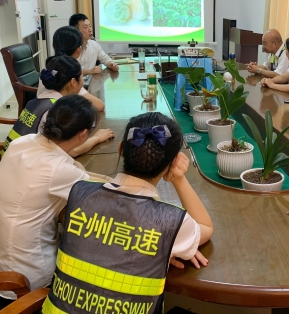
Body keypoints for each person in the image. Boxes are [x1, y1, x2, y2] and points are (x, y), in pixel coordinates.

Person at [42, 112, 214, 313]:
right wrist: (178, 178)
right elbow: (206, 227)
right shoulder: (171, 222)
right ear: (174, 162)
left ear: (120, 150)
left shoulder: (79, 193)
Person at [0, 95, 100, 299]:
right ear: (83, 134)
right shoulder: (58, 169)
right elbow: (99, 194)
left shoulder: (22, 142)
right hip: (28, 282)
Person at [3, 55, 114, 157]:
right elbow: (70, 151)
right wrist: (97, 138)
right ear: (73, 82)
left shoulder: (35, 101)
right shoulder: (56, 111)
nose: (82, 83)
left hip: (10, 158)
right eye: (81, 77)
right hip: (24, 165)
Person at [39, 26, 105, 112]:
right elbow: (99, 106)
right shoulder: (70, 71)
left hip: (42, 110)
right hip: (59, 115)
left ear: (53, 46)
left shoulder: (50, 64)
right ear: (79, 49)